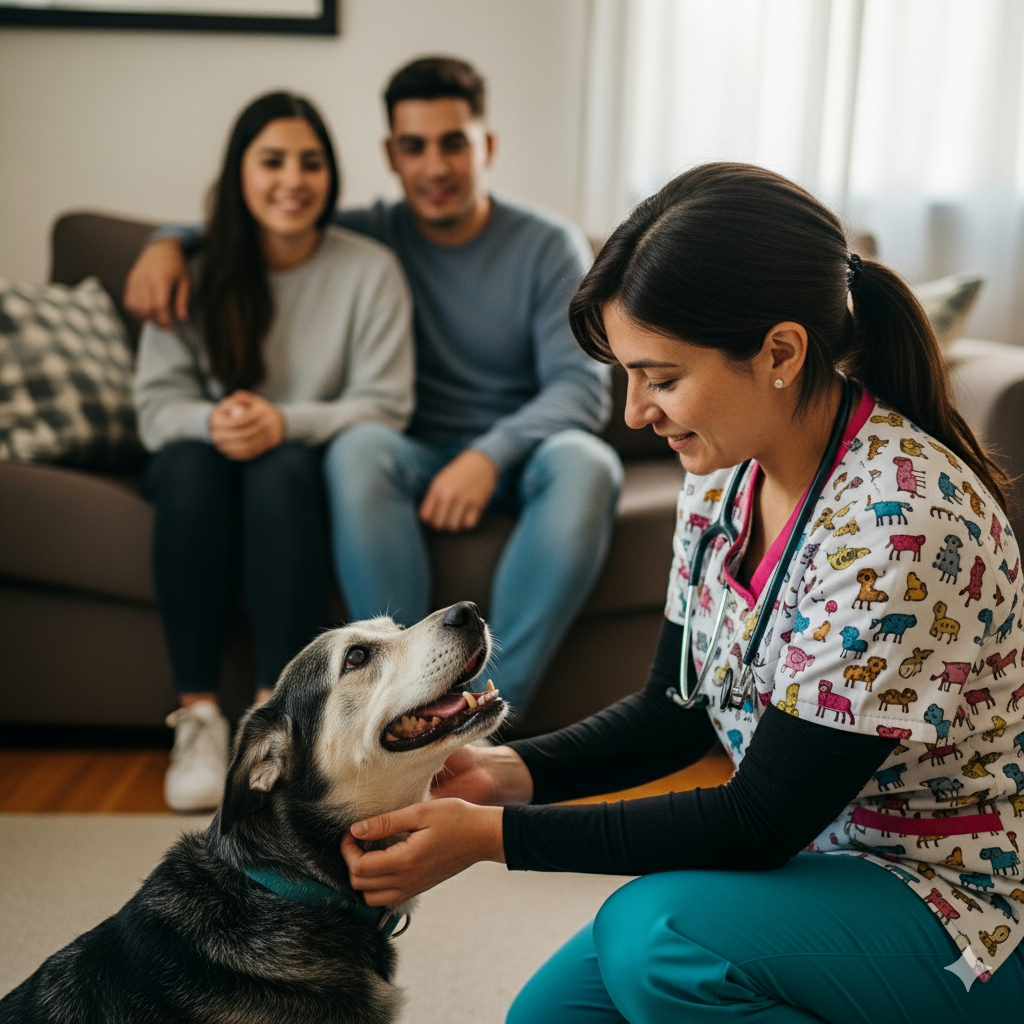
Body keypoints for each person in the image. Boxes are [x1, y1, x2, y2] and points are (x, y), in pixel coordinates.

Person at [337, 163, 1024, 1021]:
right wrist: (505, 776)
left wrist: (492, 840)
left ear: (780, 352)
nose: (633, 413)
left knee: (658, 938)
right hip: (813, 870)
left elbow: (758, 819)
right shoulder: (724, 474)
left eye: (660, 378)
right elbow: (676, 707)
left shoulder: (901, 529)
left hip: (953, 906)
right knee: (549, 1017)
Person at [124, 57, 623, 721]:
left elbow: (583, 388)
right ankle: (409, 698)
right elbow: (263, 223)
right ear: (391, 154)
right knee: (359, 447)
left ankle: (493, 712)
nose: (435, 168)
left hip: (523, 455)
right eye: (413, 147)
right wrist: (165, 242)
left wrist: (487, 456)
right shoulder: (371, 234)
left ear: (488, 146)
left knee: (590, 462)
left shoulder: (547, 245)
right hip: (403, 450)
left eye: (454, 143)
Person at [133, 91, 414, 812]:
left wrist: (281, 422)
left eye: (311, 162)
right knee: (194, 468)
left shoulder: (369, 267)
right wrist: (215, 421)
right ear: (239, 174)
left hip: (293, 464)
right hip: (201, 459)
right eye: (272, 161)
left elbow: (386, 402)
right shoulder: (191, 271)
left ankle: (274, 719)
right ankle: (197, 718)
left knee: (280, 468)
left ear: (332, 176)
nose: (293, 179)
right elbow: (157, 409)